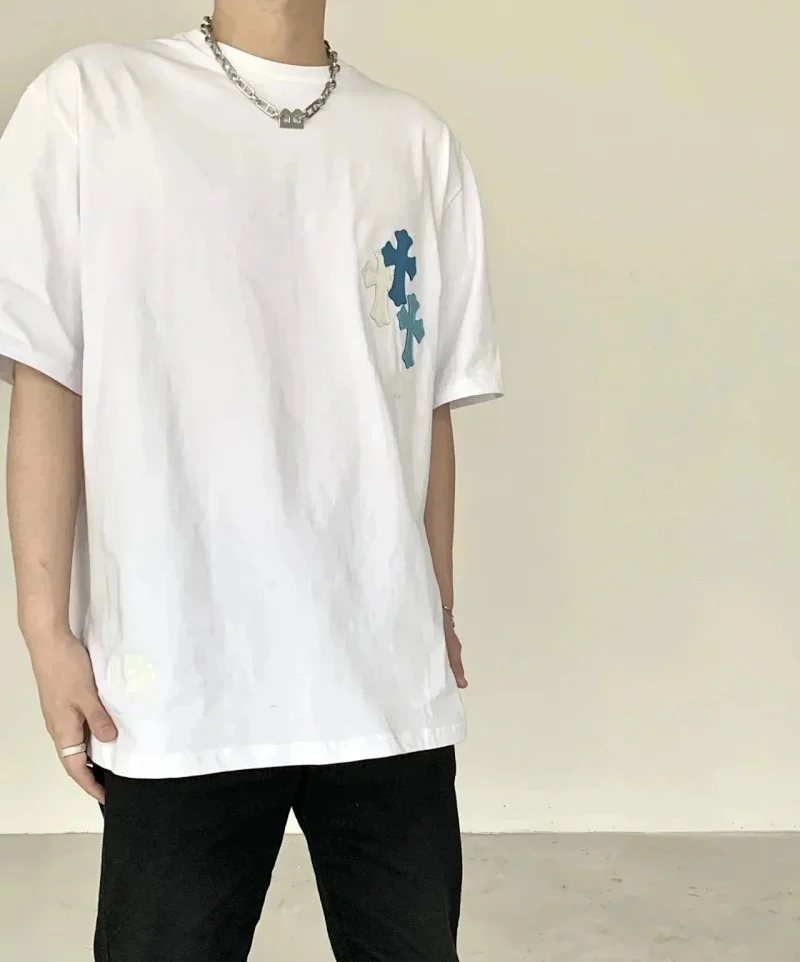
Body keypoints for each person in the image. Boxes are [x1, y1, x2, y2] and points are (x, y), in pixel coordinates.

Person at [0, 0, 503, 959]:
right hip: (183, 682)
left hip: (383, 682)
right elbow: (47, 375)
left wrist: (435, 607)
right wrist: (43, 627)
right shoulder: (94, 101)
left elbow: (425, 405)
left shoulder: (414, 141)